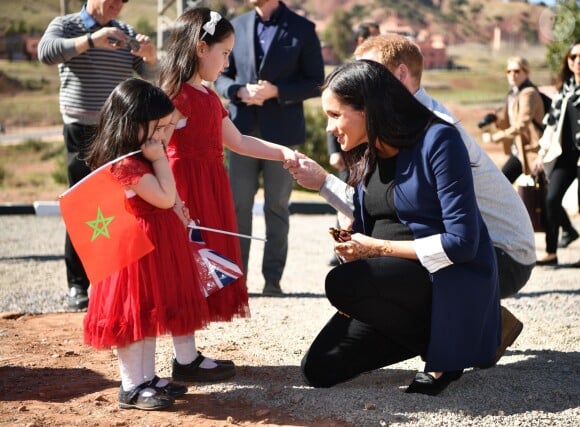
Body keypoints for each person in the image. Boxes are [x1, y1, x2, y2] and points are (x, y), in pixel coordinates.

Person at [289, 34, 531, 363]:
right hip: (433, 253)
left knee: (351, 283)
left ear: (399, 76)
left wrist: (375, 250)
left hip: (497, 254)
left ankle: (469, 334)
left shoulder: (437, 131)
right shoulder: (380, 136)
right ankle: (445, 336)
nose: (363, 80)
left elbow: (452, 236)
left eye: (372, 71)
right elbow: (390, 206)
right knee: (321, 365)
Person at [158, 7, 299, 378]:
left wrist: (282, 151)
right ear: (201, 48)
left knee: (199, 267)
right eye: (224, 54)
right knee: (184, 271)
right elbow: (156, 149)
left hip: (209, 191)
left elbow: (237, 141)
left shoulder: (207, 96)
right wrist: (171, 200)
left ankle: (187, 356)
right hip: (184, 193)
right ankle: (185, 361)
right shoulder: (175, 97)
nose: (227, 63)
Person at [83, 78, 209, 411]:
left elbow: (169, 199)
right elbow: (165, 198)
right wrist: (161, 159)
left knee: (149, 315)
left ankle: (146, 378)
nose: (164, 136)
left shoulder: (139, 159)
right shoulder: (126, 164)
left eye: (167, 128)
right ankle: (131, 385)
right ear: (133, 124)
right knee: (134, 317)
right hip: (134, 252)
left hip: (152, 248)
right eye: (159, 128)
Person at [37, 0, 159, 311]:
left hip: (119, 133)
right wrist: (92, 40)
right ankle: (78, 286)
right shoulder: (66, 25)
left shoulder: (125, 32)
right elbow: (46, 53)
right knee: (85, 208)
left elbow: (150, 74)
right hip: (83, 133)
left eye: (124, 0)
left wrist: (150, 57)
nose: (119, 3)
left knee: (123, 207)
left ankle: (115, 284)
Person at [215, 0, 325, 295]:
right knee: (238, 206)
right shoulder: (235, 26)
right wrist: (237, 90)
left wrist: (279, 91)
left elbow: (317, 82)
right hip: (240, 131)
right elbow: (219, 76)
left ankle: (272, 280)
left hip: (283, 134)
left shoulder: (303, 29)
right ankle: (235, 280)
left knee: (278, 206)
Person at [327, 22, 381, 267]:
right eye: (372, 38)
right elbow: (334, 115)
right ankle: (342, 250)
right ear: (360, 42)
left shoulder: (379, 78)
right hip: (347, 150)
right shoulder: (346, 73)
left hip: (367, 148)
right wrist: (333, 151)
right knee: (345, 202)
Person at [534, 40, 580, 266]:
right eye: (573, 57)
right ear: (569, 62)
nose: (578, 61)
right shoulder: (565, 90)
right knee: (551, 199)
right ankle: (551, 252)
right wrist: (541, 152)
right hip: (565, 156)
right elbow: (551, 124)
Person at [481, 57, 545, 182]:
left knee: (503, 184)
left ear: (526, 72)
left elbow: (521, 125)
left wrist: (495, 137)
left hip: (531, 150)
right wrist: (493, 120)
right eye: (508, 71)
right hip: (519, 150)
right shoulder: (514, 93)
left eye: (516, 71)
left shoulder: (528, 93)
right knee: (505, 184)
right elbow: (506, 121)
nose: (512, 75)